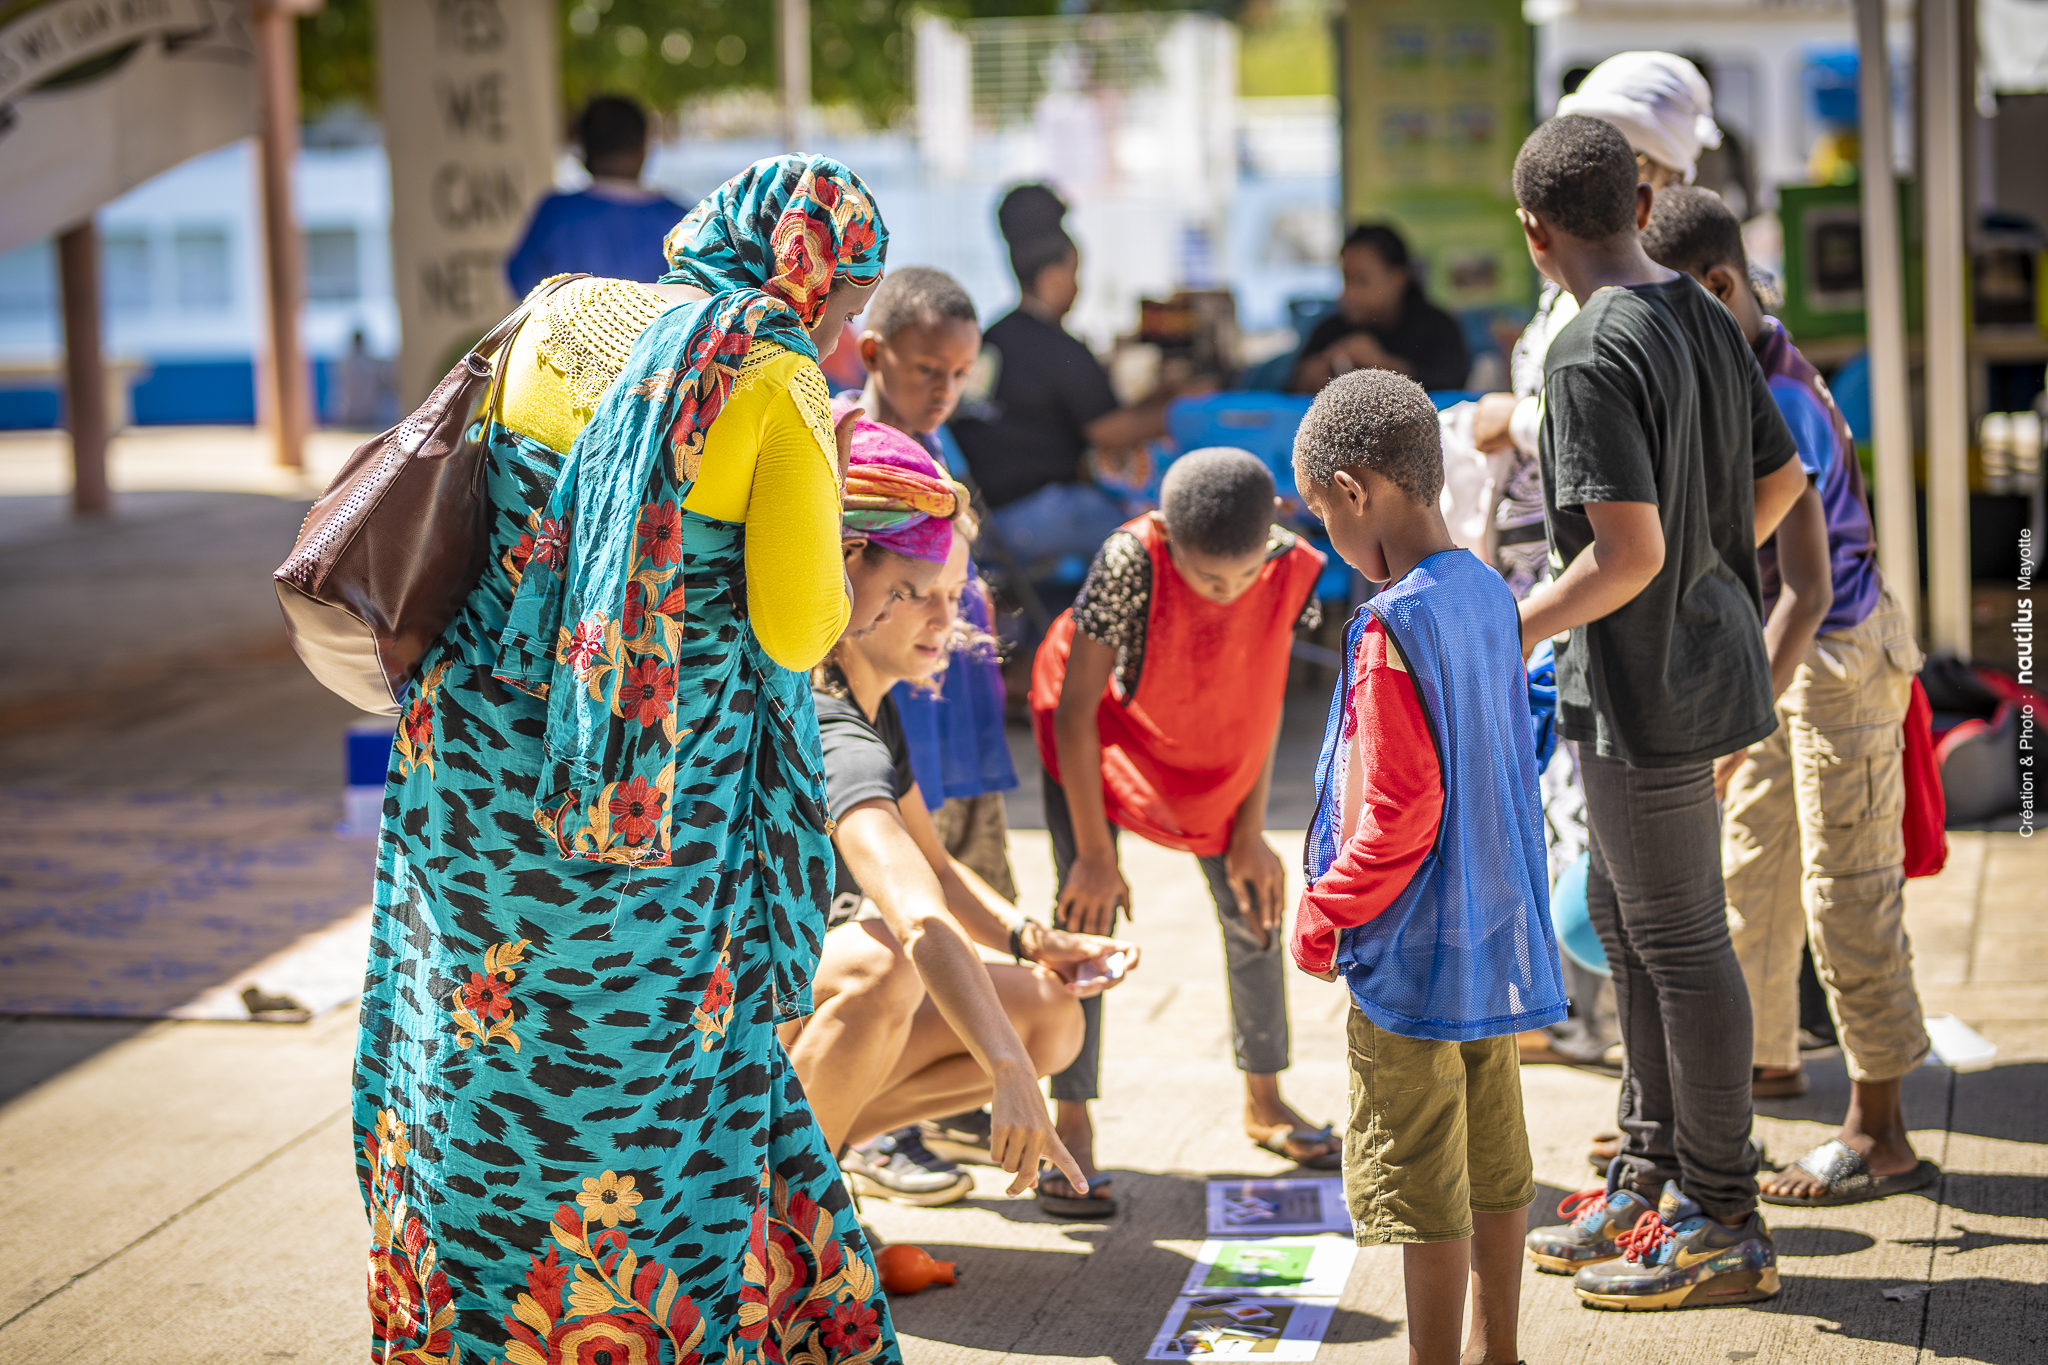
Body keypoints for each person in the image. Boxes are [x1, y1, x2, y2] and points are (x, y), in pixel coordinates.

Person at [353, 156, 902, 1364]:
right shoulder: (772, 374)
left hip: (474, 774)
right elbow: (799, 625)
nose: (848, 334)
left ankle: (468, 1325)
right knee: (640, 1081)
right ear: (807, 272)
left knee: (473, 1053)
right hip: (639, 802)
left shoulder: (556, 309)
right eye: (849, 306)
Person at [1507, 116, 1808, 1310]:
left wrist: (1508, 625)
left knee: (1677, 940)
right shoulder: (1697, 310)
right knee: (1628, 928)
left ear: (1534, 236)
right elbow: (1779, 478)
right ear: (1640, 204)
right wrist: (1714, 570)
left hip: (1647, 680)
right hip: (1675, 668)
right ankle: (1651, 1169)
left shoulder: (1585, 351)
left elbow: (1622, 553)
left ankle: (1722, 1213)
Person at [1641, 186, 1937, 1206]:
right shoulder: (1731, 348)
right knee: (1747, 871)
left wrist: (1737, 721)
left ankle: (1879, 1129)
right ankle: (1764, 1068)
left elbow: (1804, 595)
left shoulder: (1786, 401)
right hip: (1767, 656)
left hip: (1834, 655)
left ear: (1719, 286)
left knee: (1843, 891)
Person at [1290, 369, 1565, 1365]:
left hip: (1408, 955)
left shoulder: (1388, 625)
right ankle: (1501, 1353)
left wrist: (1322, 912)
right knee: (1496, 1165)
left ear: (1354, 490)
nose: (1327, 538)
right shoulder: (1490, 595)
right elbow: (1509, 746)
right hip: (1491, 938)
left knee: (1419, 1180)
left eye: (1321, 513)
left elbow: (1400, 812)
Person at [797, 423, 1139, 1207]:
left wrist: (1033, 940)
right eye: (921, 593)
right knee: (886, 961)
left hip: (784, 1023)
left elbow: (940, 873)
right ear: (852, 574)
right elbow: (916, 916)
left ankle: (824, 1149)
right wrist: (1008, 1072)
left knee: (1051, 1013)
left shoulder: (875, 706)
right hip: (730, 1044)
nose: (947, 621)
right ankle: (772, 1215)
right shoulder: (826, 718)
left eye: (958, 595)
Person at [1029, 447, 1330, 1217]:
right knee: (1084, 927)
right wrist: (1095, 856)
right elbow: (1073, 710)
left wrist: (1252, 831)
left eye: (1240, 576)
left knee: (1255, 898)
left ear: (1273, 533)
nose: (1225, 592)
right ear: (1169, 534)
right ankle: (1072, 1119)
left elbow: (1265, 698)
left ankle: (1265, 1097)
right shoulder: (1131, 558)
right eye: (1206, 578)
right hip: (1101, 738)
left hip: (1216, 741)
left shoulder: (1293, 568)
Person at [949, 183, 1170, 578]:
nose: (1078, 286)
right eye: (1075, 273)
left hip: (982, 518)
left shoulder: (991, 338)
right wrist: (1183, 409)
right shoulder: (1058, 347)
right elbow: (1112, 431)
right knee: (1156, 531)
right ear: (1052, 276)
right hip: (1037, 516)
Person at [505, 95, 690, 295]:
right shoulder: (685, 221)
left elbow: (523, 286)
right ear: (643, 147)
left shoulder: (555, 213)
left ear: (582, 151)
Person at [1289, 224, 1470, 394]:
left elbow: (1453, 388)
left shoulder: (1438, 328)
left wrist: (1382, 365)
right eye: (1345, 279)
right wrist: (1308, 379)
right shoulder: (1329, 331)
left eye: (1361, 280)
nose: (1348, 294)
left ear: (1397, 279)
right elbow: (1288, 392)